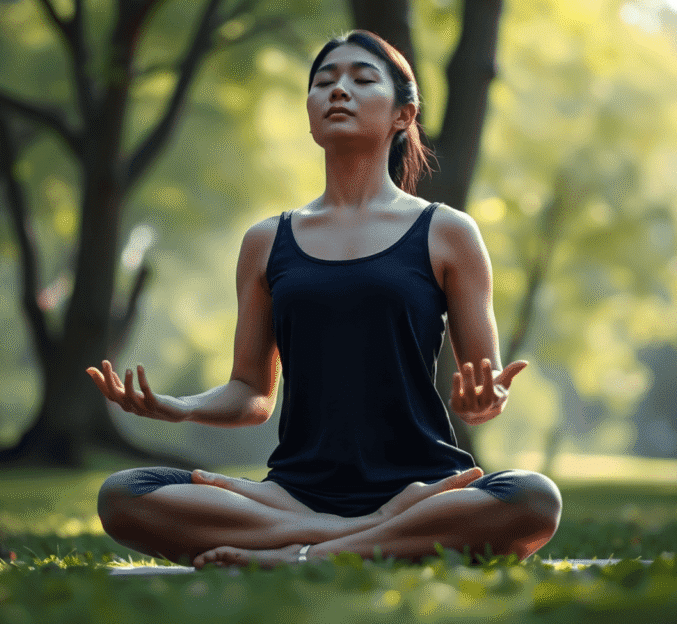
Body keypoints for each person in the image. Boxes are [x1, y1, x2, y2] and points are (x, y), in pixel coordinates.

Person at [87, 30, 561, 569]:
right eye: (324, 82)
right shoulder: (267, 241)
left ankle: (304, 554)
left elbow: (483, 383)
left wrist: (485, 400)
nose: (338, 90)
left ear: (403, 115)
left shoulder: (447, 232)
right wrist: (178, 407)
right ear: (310, 114)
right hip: (296, 494)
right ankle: (365, 537)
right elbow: (251, 393)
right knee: (126, 494)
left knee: (532, 498)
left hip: (424, 487)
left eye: (362, 79)